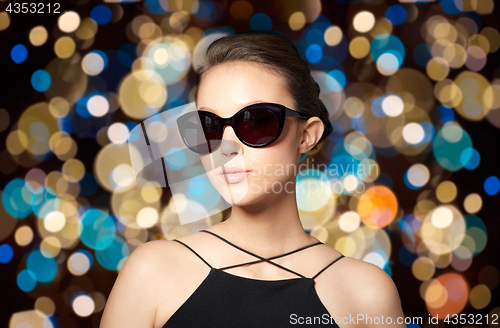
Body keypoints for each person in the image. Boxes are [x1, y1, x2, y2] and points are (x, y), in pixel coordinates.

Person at [100, 31, 406, 328]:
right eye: (208, 126)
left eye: (257, 121)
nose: (227, 147)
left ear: (306, 135)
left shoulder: (366, 294)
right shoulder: (152, 272)